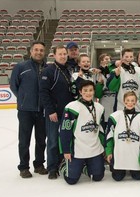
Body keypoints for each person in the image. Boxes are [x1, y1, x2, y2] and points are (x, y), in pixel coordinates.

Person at [10, 41, 48, 178]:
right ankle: (24, 167)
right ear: (31, 51)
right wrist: (23, 99)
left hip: (42, 110)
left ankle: (39, 164)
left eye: (41, 50)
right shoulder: (21, 67)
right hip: (25, 110)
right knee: (24, 139)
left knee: (41, 139)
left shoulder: (47, 68)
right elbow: (14, 86)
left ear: (44, 52)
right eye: (36, 50)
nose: (39, 52)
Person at [58, 80, 105, 185]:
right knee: (71, 180)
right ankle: (63, 165)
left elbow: (101, 129)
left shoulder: (99, 107)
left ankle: (84, 166)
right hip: (77, 149)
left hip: (94, 148)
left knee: (98, 177)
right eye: (85, 90)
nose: (88, 93)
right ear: (80, 92)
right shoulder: (72, 107)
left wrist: (104, 147)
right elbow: (65, 130)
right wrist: (66, 150)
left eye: (91, 90)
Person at [40, 45, 75, 179]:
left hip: (67, 113)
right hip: (54, 113)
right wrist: (50, 111)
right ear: (54, 55)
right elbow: (43, 92)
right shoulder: (48, 71)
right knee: (53, 140)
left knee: (64, 139)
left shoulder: (68, 70)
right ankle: (52, 168)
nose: (63, 56)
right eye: (60, 54)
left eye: (64, 54)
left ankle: (62, 163)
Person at [105, 91, 140, 181]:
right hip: (120, 154)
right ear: (124, 101)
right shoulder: (115, 116)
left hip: (135, 154)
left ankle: (132, 167)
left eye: (132, 100)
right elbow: (109, 136)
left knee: (138, 177)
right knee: (117, 177)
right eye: (127, 100)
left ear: (136, 102)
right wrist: (109, 152)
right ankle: (123, 167)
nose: (130, 103)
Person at [107, 48, 140, 114]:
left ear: (133, 57)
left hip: (137, 107)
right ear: (122, 57)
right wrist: (116, 76)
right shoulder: (116, 70)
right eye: (126, 56)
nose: (128, 58)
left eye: (131, 56)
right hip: (120, 108)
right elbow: (111, 88)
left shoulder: (139, 71)